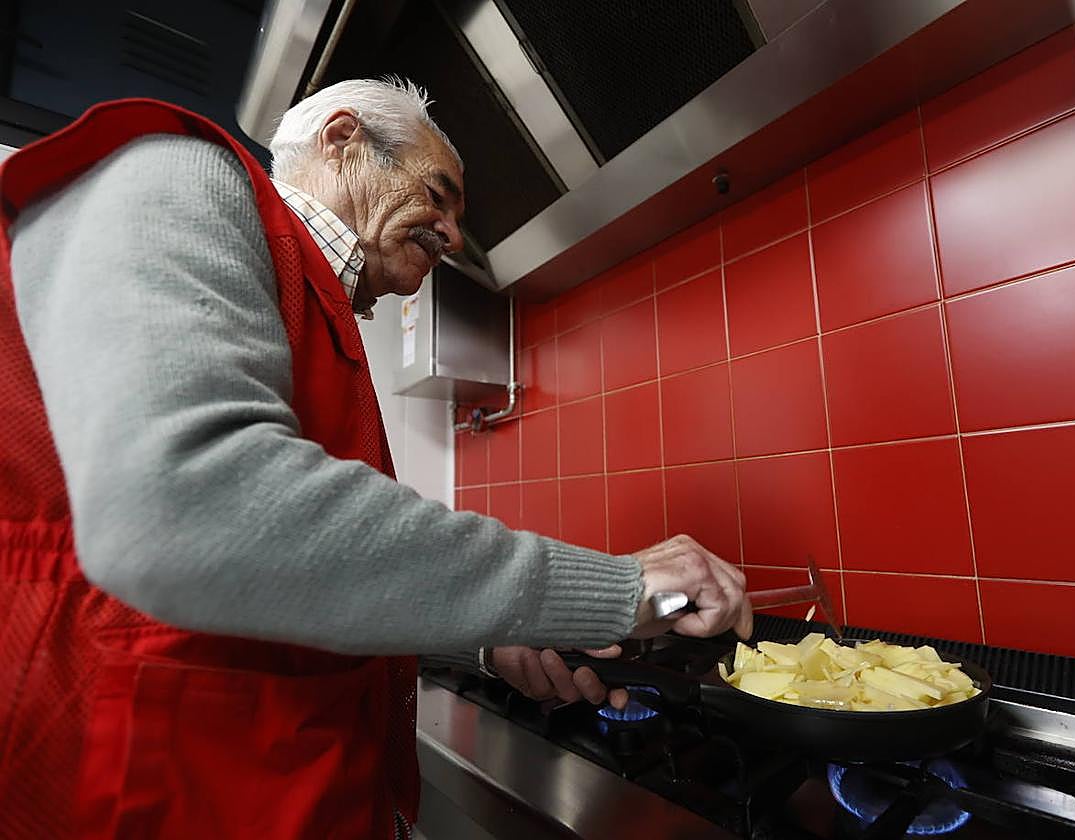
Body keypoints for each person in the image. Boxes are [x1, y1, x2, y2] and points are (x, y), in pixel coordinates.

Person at [0, 78, 751, 839]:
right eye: (438, 195)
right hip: (141, 793)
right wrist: (617, 589)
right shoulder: (177, 174)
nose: (452, 237)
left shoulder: (313, 305)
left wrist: (486, 635)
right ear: (343, 141)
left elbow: (296, 570)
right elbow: (187, 511)